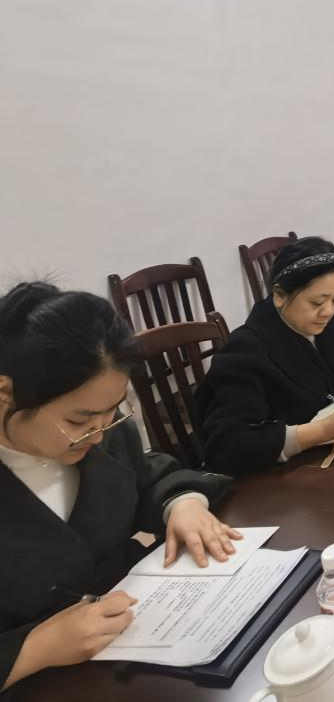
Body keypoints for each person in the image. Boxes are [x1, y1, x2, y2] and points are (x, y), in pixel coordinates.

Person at [0, 282, 239, 691]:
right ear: (5, 394)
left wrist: (182, 503)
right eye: (78, 421)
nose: (97, 435)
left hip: (140, 650)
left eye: (111, 412)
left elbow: (147, 477)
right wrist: (33, 649)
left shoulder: (105, 435)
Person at [198, 238, 334, 477]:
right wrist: (321, 431)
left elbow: (312, 380)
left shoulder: (316, 325)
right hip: (273, 481)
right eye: (317, 302)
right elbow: (226, 446)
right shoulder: (244, 352)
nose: (328, 311)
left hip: (327, 463)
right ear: (279, 295)